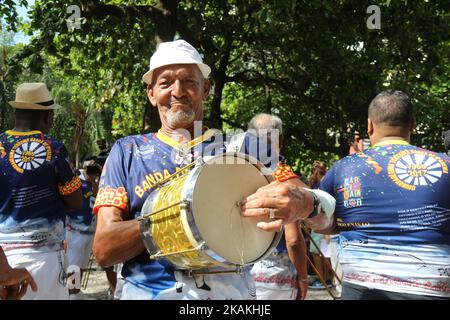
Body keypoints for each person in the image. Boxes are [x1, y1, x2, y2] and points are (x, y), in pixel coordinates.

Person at [92, 40, 325, 300]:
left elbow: (323, 211)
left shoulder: (245, 147)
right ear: (151, 93)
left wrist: (307, 202)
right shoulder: (127, 151)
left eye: (189, 82)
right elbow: (104, 248)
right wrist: (187, 211)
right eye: (166, 82)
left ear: (206, 89)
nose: (177, 91)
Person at [311, 90, 449, 299]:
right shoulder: (445, 164)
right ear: (412, 123)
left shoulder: (343, 168)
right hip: (434, 287)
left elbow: (320, 215)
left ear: (369, 125)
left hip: (361, 289)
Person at [0, 82, 83, 300]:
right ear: (47, 117)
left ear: (16, 112)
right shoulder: (53, 148)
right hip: (44, 258)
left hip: (2, 260)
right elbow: (75, 202)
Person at [247, 113, 308, 300]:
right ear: (279, 140)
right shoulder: (280, 175)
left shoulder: (236, 169)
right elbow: (293, 240)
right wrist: (304, 278)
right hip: (275, 275)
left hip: (240, 273)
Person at [65, 159, 100, 299]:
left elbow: (98, 197)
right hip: (75, 230)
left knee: (82, 263)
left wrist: (92, 181)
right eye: (88, 168)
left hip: (89, 230)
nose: (90, 170)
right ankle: (70, 294)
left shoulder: (92, 183)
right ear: (83, 168)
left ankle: (76, 292)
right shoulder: (75, 180)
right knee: (73, 264)